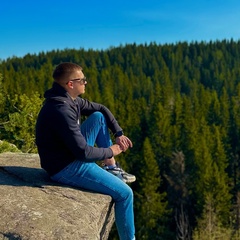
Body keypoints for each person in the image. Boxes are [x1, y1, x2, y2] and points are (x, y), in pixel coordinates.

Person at [35, 62, 136, 240]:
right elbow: (84, 154)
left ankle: (111, 168)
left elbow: (102, 109)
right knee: (125, 194)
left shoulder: (70, 99)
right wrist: (111, 150)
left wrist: (118, 133)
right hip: (66, 166)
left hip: (69, 153)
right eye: (82, 80)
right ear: (70, 84)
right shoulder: (61, 109)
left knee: (97, 117)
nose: (85, 82)